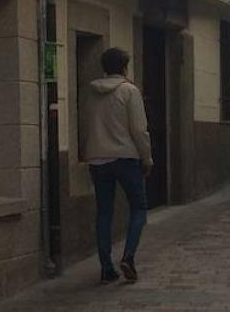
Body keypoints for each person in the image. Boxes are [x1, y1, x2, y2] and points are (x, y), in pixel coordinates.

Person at [83, 47, 153, 285]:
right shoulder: (129, 91)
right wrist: (147, 157)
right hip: (125, 157)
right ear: (124, 67)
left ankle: (106, 268)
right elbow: (139, 129)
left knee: (104, 213)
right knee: (139, 208)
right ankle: (129, 256)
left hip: (97, 158)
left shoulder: (92, 92)